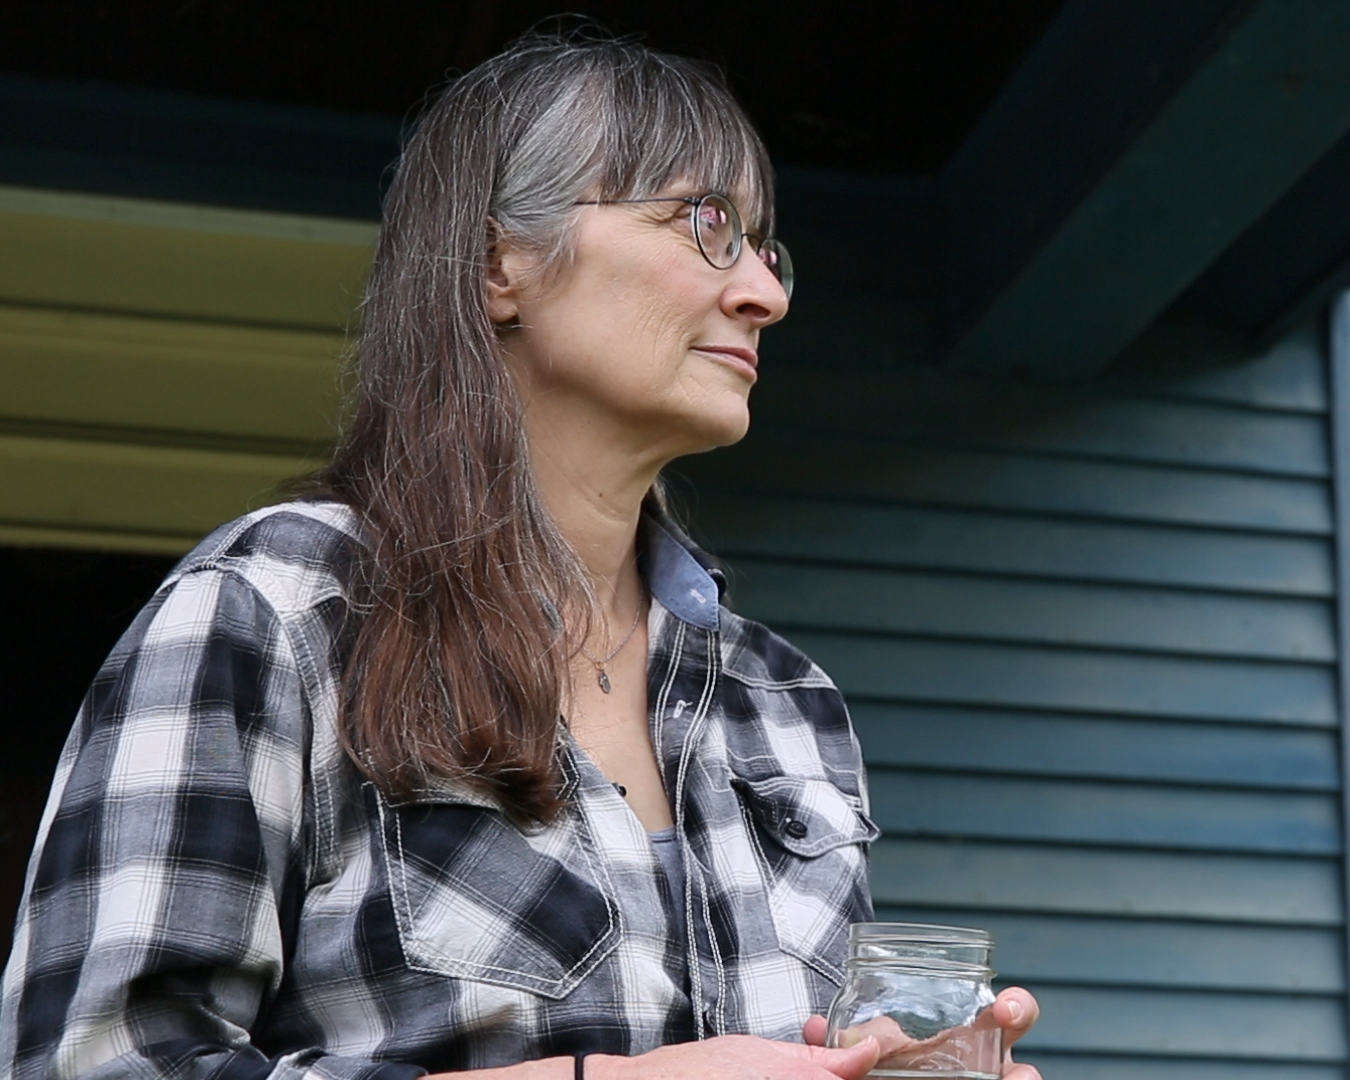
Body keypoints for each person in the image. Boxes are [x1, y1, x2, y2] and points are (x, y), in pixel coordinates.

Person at [0, 33, 1041, 1080]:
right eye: (704, 223)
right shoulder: (277, 611)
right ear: (502, 262)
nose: (764, 295)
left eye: (767, 250)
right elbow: (93, 1066)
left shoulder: (786, 703)